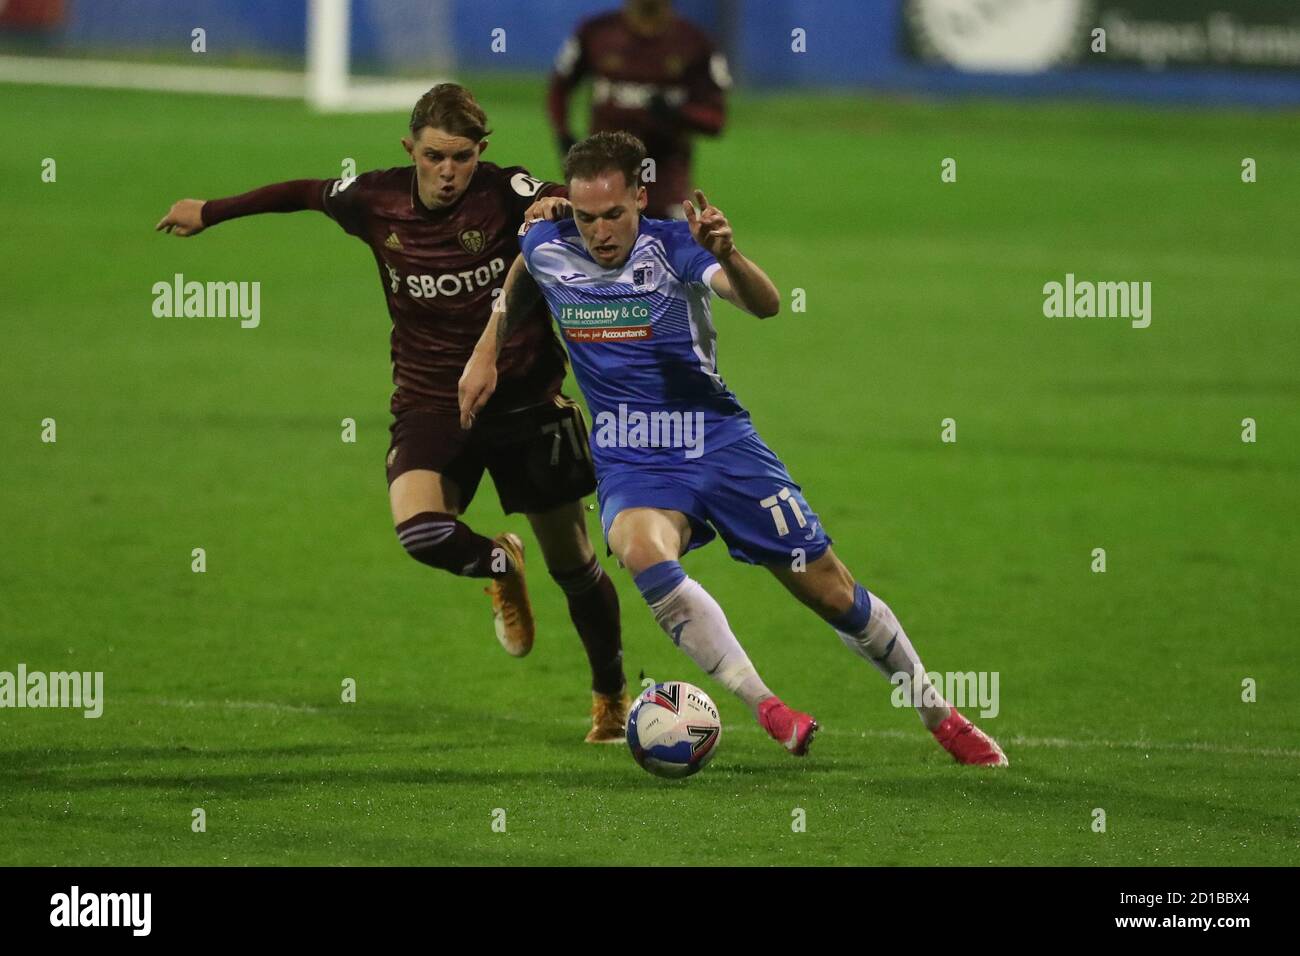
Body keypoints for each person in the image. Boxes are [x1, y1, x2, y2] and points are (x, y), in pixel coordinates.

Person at [459, 132, 1008, 764]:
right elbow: (525, 271)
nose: (601, 232)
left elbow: (765, 305)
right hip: (632, 455)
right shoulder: (548, 241)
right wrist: (486, 349)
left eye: (614, 214)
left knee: (832, 593)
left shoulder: (674, 248)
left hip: (719, 442)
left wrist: (731, 254)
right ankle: (766, 706)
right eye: (586, 217)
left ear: (641, 196)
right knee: (637, 547)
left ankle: (940, 714)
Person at [155, 84, 630, 743]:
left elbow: (580, 201)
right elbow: (300, 193)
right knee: (420, 531)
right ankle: (498, 564)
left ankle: (610, 695)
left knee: (575, 566)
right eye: (434, 156)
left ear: (479, 153)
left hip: (524, 404)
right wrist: (210, 210)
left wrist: (558, 202)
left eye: (461, 158)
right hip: (431, 401)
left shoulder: (508, 193)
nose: (447, 172)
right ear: (409, 149)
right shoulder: (373, 199)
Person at [547, 0, 728, 218]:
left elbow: (715, 119)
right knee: (594, 241)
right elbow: (559, 89)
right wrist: (564, 135)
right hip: (603, 174)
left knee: (684, 244)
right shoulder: (596, 32)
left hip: (664, 180)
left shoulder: (694, 42)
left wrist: (678, 113)